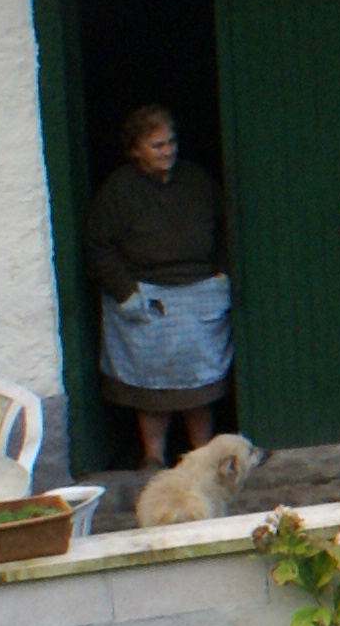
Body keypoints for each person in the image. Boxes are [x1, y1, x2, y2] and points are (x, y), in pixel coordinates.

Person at [83, 103, 233, 469]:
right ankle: (153, 456)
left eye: (171, 142)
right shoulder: (119, 190)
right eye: (157, 145)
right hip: (147, 295)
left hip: (198, 292)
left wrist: (222, 271)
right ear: (136, 150)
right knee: (152, 388)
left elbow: (228, 225)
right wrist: (125, 291)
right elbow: (98, 246)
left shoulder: (197, 180)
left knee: (198, 386)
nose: (167, 151)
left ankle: (201, 457)